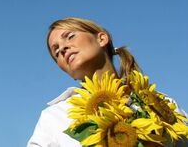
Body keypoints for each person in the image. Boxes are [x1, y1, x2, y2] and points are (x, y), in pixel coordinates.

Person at [27, 17, 188, 147]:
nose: (62, 49)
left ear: (102, 38)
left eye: (70, 36)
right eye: (56, 52)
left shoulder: (163, 104)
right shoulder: (55, 117)